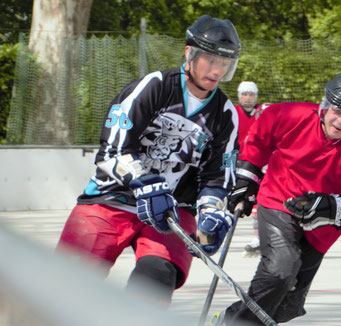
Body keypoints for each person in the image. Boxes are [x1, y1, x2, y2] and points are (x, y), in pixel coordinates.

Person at [56, 15, 241, 306]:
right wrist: (145, 183)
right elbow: (112, 151)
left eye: (224, 64)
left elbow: (216, 177)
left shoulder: (226, 114)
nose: (217, 70)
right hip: (111, 199)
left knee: (154, 285)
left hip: (170, 212)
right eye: (210, 60)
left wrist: (211, 213)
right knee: (68, 285)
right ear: (189, 53)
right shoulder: (153, 87)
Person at [213, 72, 341, 326]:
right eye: (337, 111)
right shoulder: (293, 115)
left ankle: (230, 320)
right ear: (325, 105)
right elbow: (260, 135)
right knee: (281, 270)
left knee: (285, 306)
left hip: (321, 228)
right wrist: (247, 176)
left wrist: (333, 206)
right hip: (278, 201)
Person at [234, 81, 270, 257]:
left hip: (260, 164)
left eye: (251, 94)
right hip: (239, 164)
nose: (247, 97)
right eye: (244, 94)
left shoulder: (264, 113)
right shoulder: (231, 112)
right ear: (239, 95)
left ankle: (260, 237)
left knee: (260, 200)